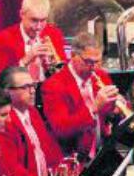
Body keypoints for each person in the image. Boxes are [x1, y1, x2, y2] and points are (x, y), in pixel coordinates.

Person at [41, 32, 124, 160]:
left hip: (101, 151)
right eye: (89, 62)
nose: (94, 68)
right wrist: (94, 107)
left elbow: (108, 114)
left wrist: (116, 109)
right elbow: (61, 129)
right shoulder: (53, 85)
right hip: (73, 157)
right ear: (73, 56)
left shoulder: (101, 75)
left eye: (98, 62)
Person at [0, 66, 64, 176]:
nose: (32, 91)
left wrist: (62, 171)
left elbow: (48, 146)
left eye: (33, 85)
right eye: (25, 87)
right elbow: (15, 172)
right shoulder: (5, 122)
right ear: (7, 92)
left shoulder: (32, 111)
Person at [0, 0, 66, 82]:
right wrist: (26, 60)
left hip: (47, 91)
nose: (38, 27)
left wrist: (49, 65)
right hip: (19, 92)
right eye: (34, 20)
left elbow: (63, 74)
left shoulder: (54, 33)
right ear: (22, 14)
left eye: (43, 20)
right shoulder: (4, 38)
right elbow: (0, 79)